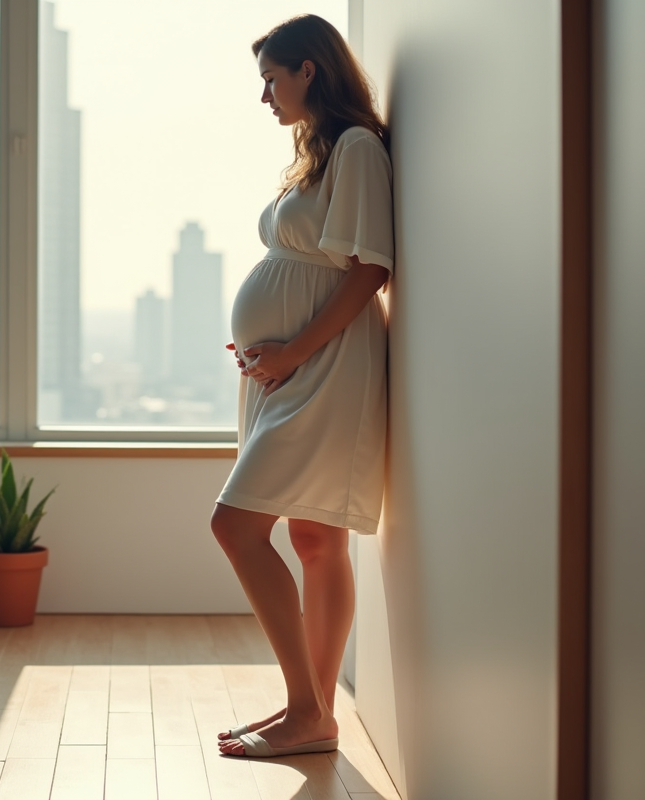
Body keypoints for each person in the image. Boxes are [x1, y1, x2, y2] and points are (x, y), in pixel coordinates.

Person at [212, 13, 393, 759]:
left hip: (328, 365)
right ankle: (311, 711)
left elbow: (370, 269)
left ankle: (306, 707)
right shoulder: (315, 155)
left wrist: (292, 349)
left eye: (271, 79)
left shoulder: (356, 148)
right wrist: (269, 346)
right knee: (315, 537)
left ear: (308, 70)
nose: (265, 96)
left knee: (235, 526)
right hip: (292, 365)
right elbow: (305, 269)